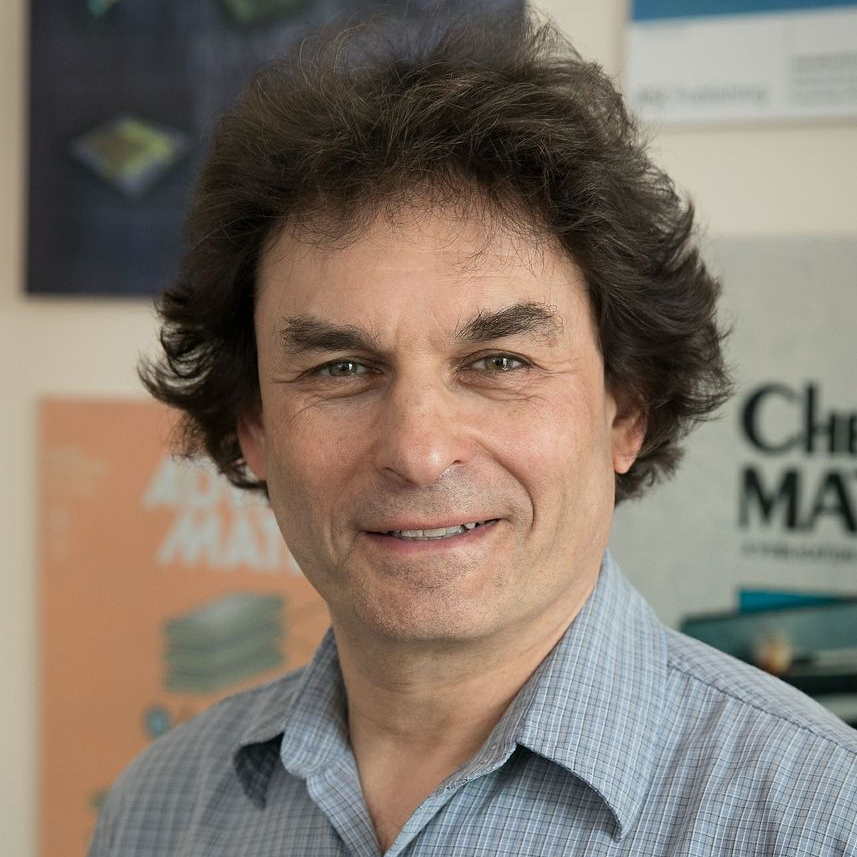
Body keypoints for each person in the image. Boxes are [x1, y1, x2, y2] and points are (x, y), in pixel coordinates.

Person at [89, 10, 857, 856]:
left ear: (626, 410)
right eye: (341, 369)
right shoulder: (157, 811)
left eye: (498, 362)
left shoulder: (821, 817)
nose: (418, 452)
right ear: (254, 426)